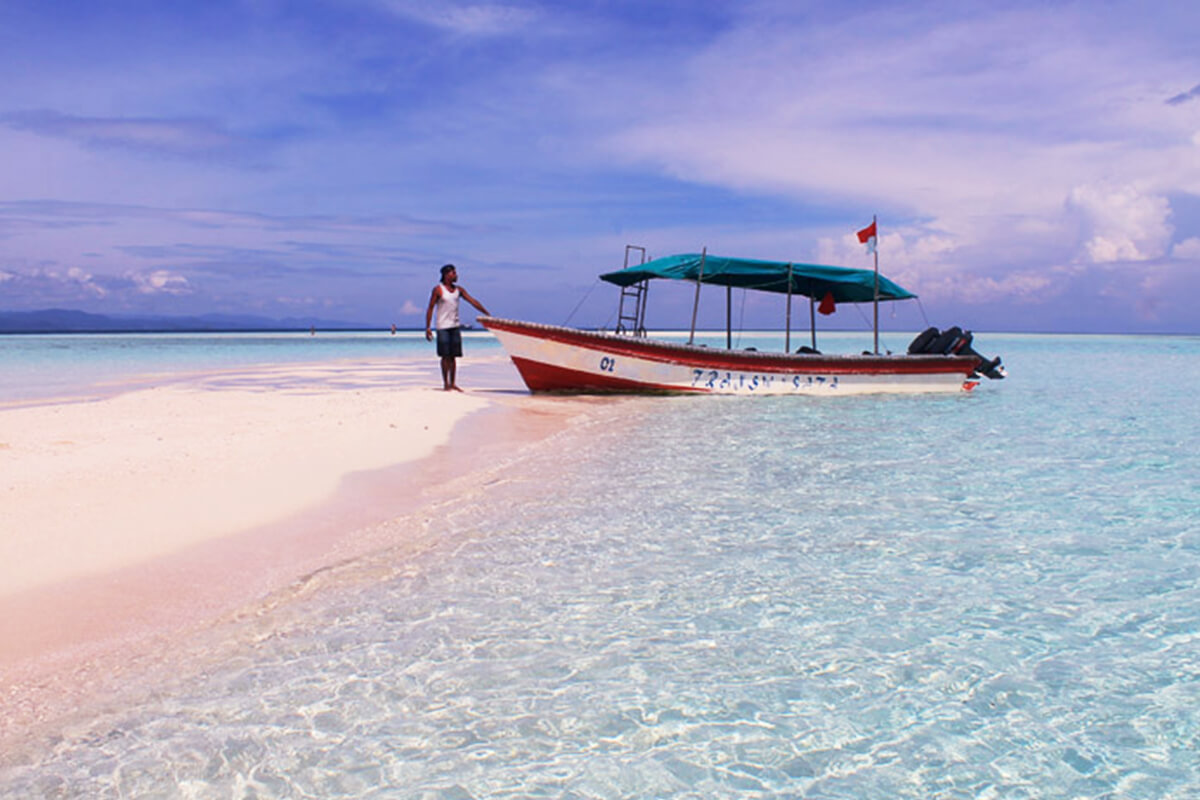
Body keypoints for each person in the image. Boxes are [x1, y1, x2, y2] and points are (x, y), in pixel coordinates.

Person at [425, 263, 490, 391]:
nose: (456, 275)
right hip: (442, 327)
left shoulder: (459, 290)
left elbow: (472, 301)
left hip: (455, 326)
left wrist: (486, 313)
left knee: (454, 356)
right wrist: (428, 327)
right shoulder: (438, 290)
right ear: (446, 275)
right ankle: (446, 384)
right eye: (453, 273)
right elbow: (431, 307)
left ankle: (453, 383)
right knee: (445, 356)